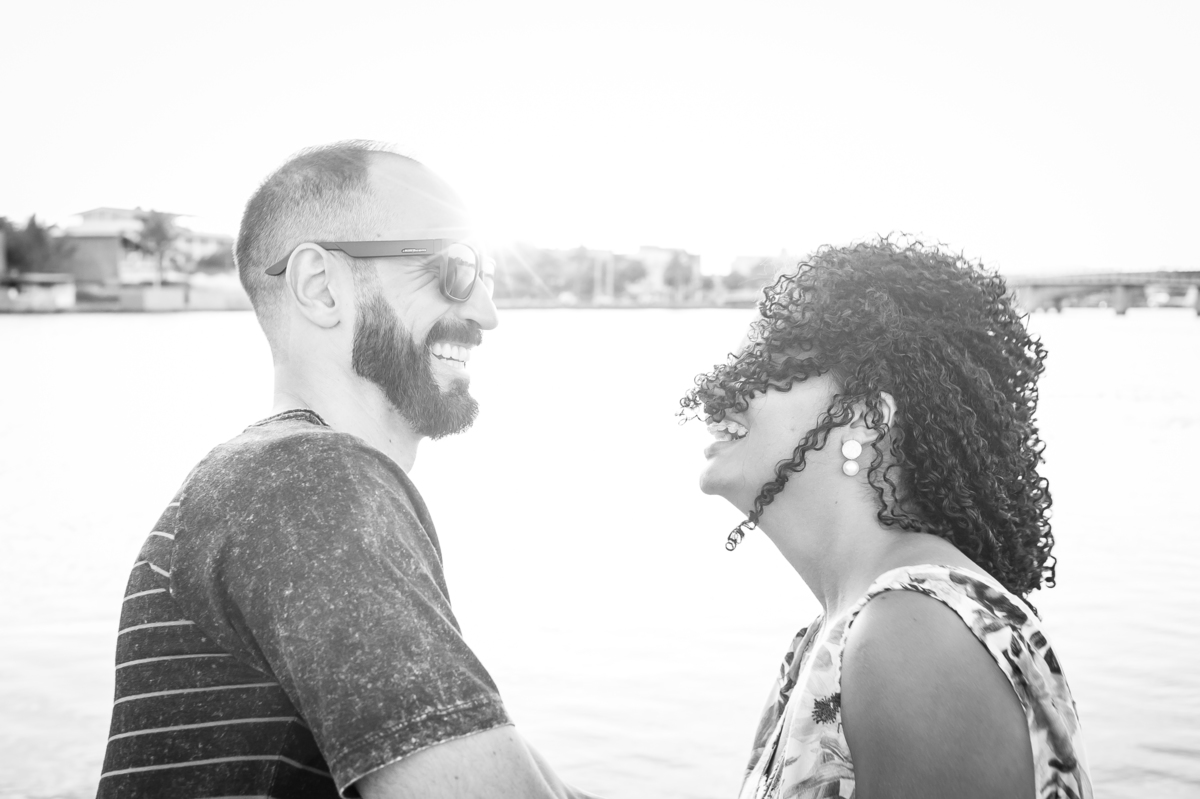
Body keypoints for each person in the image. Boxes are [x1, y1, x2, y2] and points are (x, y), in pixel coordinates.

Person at [97, 141, 598, 799]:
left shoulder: (264, 483)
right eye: (452, 270)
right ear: (321, 287)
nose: (486, 313)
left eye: (489, 274)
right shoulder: (307, 484)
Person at [682, 239, 1092, 799]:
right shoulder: (853, 630)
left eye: (769, 366)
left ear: (868, 416)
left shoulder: (913, 635)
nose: (716, 393)